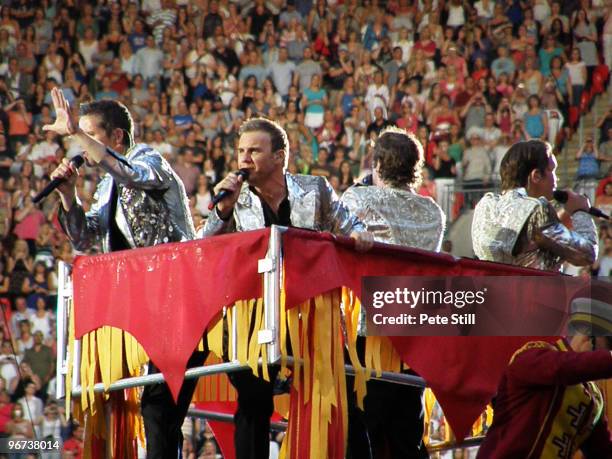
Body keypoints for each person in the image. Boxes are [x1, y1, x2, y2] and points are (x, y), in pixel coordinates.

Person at [197, 117, 371, 459]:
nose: (244, 159)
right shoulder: (233, 200)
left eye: (254, 151)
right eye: (241, 152)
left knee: (340, 399)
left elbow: (349, 223)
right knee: (252, 400)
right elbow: (203, 246)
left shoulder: (315, 189)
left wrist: (361, 234)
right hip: (254, 319)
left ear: (279, 157)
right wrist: (222, 210)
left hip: (313, 314)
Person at [44, 87, 200, 458]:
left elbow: (131, 175)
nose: (80, 147)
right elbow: (85, 239)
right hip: (142, 305)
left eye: (89, 136)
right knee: (157, 411)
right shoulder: (104, 187)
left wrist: (75, 135)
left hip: (179, 298)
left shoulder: (149, 160)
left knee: (158, 406)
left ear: (116, 137)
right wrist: (69, 196)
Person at [341, 127, 445, 458]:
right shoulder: (433, 211)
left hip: (368, 333)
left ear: (378, 164)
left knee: (362, 427)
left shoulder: (359, 197)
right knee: (406, 433)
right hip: (413, 333)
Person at [476, 302, 612, 458]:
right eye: (606, 347)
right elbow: (564, 367)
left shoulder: (595, 399)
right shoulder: (534, 357)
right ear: (588, 335)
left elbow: (604, 452)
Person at [472, 140, 597, 271]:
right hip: (536, 290)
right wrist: (580, 212)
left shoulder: (486, 205)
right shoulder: (537, 211)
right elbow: (587, 254)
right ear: (536, 176)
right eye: (552, 170)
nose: (556, 179)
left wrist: (562, 216)